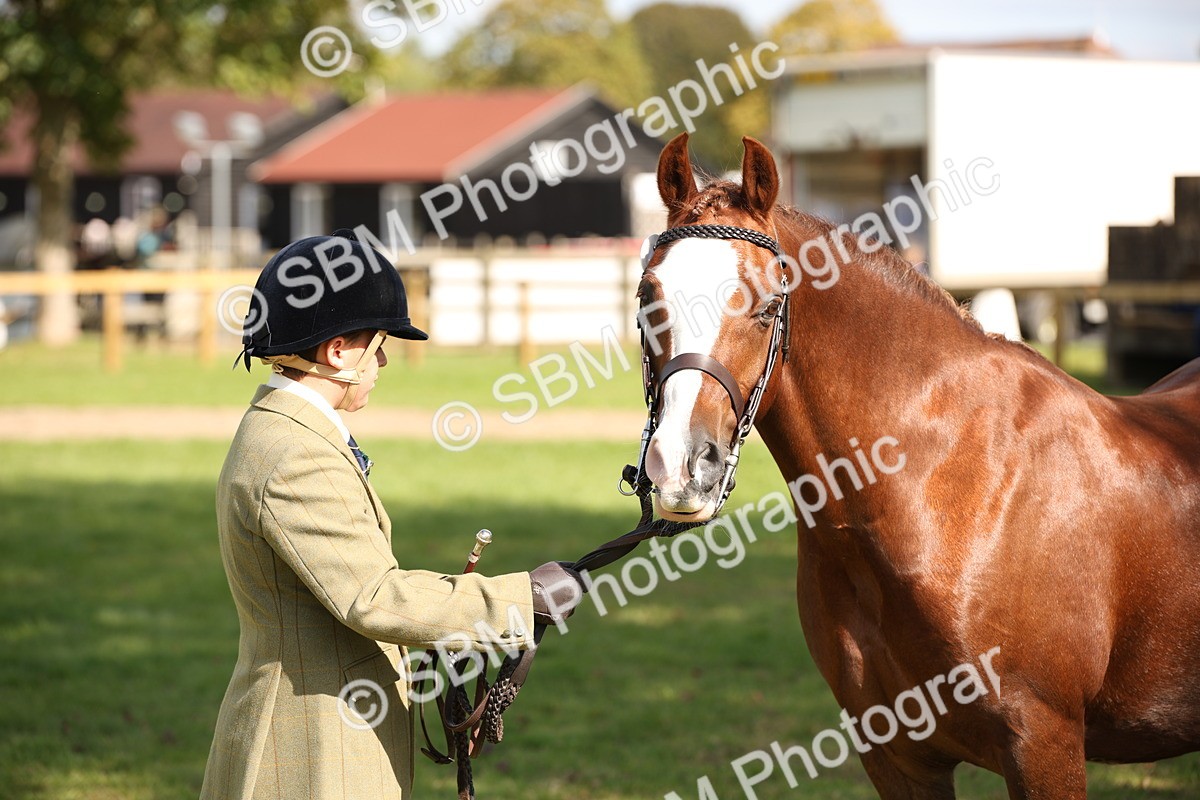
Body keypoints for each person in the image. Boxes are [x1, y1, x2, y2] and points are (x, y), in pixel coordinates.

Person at [200, 230, 583, 800]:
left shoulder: (282, 430)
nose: (382, 360)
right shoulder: (294, 453)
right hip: (310, 750)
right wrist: (521, 598)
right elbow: (373, 598)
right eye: (377, 344)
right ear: (336, 352)